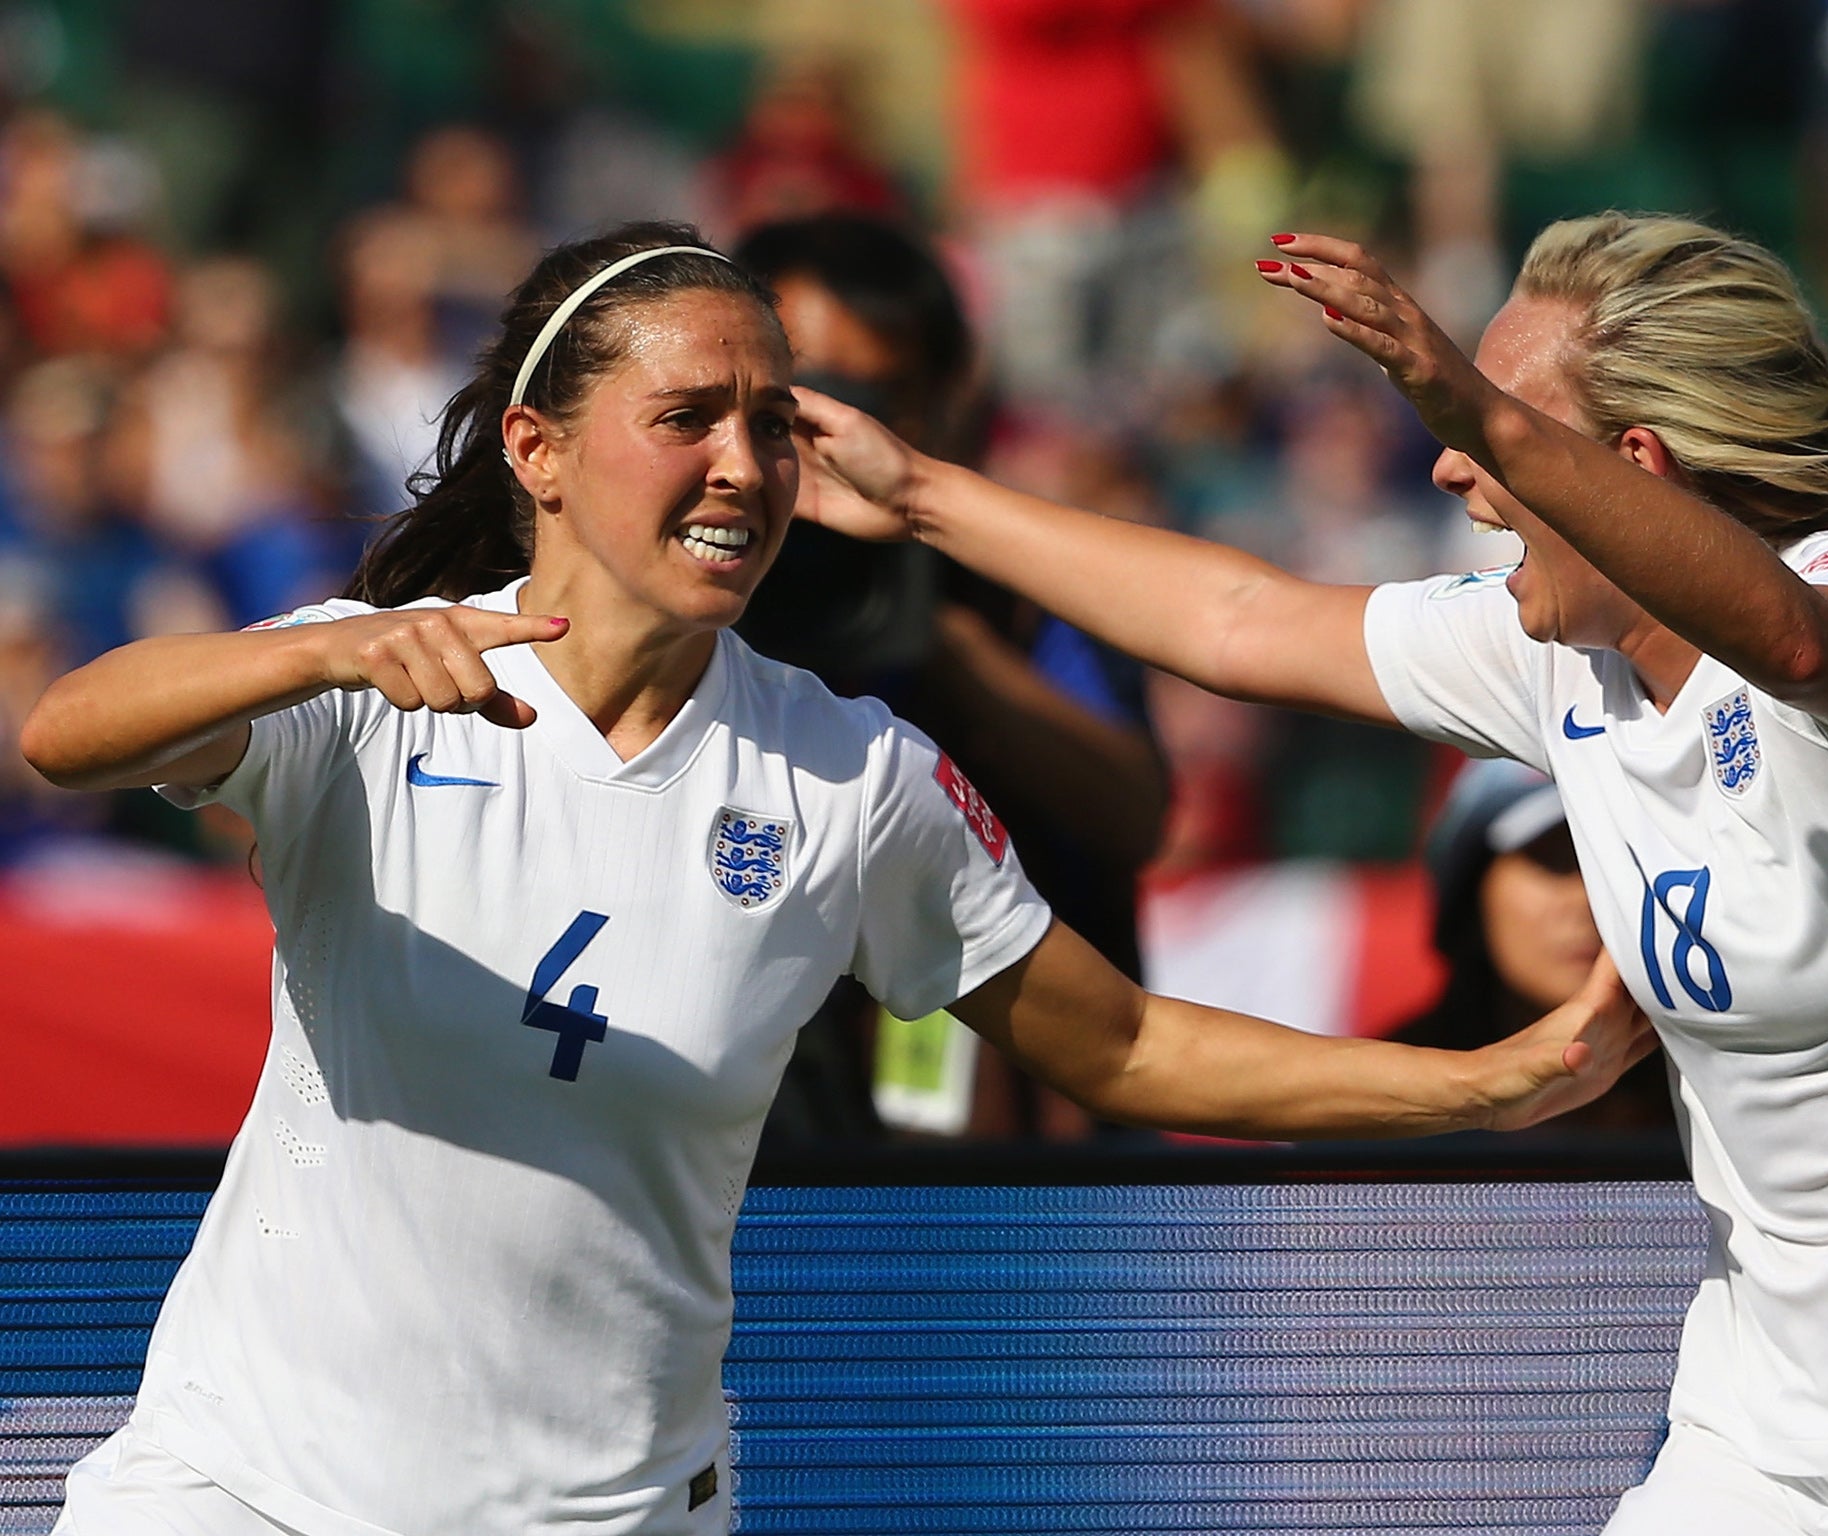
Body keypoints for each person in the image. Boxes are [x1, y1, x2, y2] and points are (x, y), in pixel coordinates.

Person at [20, 221, 1650, 1536]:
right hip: (240, 1488)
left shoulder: (850, 773)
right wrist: (312, 662)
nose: (742, 466)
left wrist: (1478, 1084)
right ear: (536, 447)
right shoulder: (371, 682)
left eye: (771, 426)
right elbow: (66, 735)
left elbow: (1129, 1046)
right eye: (684, 420)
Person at [794, 213, 1828, 1534]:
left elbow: (1793, 646)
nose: (1451, 463)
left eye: (1492, 422)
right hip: (1761, 1431)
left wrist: (1478, 406)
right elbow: (1241, 622)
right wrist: (920, 497)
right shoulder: (1569, 659)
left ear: (1629, 467)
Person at [736, 212, 1168, 1140]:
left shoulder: (1012, 583)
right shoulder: (695, 583)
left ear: (940, 402)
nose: (830, 433)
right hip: (757, 1132)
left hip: (1013, 1152)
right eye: (801, 398)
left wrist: (942, 639)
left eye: (876, 396)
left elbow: (1132, 814)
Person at [1407, 757, 1674, 1134]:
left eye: (1622, 862)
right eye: (1554, 861)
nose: (1589, 900)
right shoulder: (1376, 1115)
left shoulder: (1741, 1090)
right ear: (1471, 894)